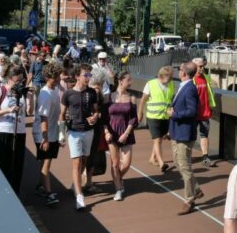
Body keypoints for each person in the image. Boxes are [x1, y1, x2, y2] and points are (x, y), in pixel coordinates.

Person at [60, 63, 101, 211]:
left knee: (84, 160)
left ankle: (75, 185)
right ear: (77, 76)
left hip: (88, 131)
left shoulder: (92, 92)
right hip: (74, 132)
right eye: (86, 75)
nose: (88, 77)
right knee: (76, 163)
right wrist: (61, 134)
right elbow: (61, 114)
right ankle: (79, 197)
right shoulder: (68, 94)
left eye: (90, 75)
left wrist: (95, 117)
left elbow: (96, 111)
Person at [0, 65, 29, 194]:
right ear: (10, 79)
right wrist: (8, 110)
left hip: (19, 132)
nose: (20, 83)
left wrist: (31, 97)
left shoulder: (22, 93)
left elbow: (28, 112)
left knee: (17, 165)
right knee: (2, 164)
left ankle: (15, 193)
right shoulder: (0, 91)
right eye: (17, 81)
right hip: (2, 131)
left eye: (22, 80)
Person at [169, 61, 202, 215]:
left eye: (179, 69)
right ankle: (196, 189)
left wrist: (175, 115)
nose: (178, 71)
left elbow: (192, 111)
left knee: (185, 166)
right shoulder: (184, 86)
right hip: (177, 131)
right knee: (178, 162)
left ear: (184, 72)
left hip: (184, 133)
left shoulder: (190, 89)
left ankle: (189, 199)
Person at [104, 71, 138, 201]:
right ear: (120, 81)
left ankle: (117, 178)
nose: (131, 82)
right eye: (129, 80)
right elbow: (104, 118)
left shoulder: (131, 98)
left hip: (126, 132)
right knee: (115, 163)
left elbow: (133, 118)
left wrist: (126, 133)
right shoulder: (108, 97)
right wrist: (106, 132)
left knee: (126, 164)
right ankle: (118, 189)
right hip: (112, 133)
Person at [33, 62, 64, 206]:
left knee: (46, 161)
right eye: (55, 77)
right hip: (44, 134)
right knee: (46, 162)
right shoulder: (45, 95)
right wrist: (44, 139)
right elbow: (43, 118)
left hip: (52, 132)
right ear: (47, 77)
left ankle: (41, 186)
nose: (58, 79)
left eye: (58, 76)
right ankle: (49, 194)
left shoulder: (55, 90)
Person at [138, 65, 175, 172]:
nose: (171, 79)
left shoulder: (171, 84)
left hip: (165, 116)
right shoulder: (151, 84)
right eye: (169, 77)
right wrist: (140, 113)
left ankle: (152, 158)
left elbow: (171, 99)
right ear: (162, 76)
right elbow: (143, 100)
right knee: (157, 140)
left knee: (159, 139)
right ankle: (161, 163)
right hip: (153, 117)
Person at [192, 56, 217, 167]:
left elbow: (210, 93)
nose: (202, 68)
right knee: (191, 136)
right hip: (193, 114)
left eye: (203, 66)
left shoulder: (206, 77)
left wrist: (211, 106)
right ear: (194, 67)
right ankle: (187, 157)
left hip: (205, 113)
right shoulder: (191, 79)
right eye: (200, 66)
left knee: (204, 135)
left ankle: (205, 157)